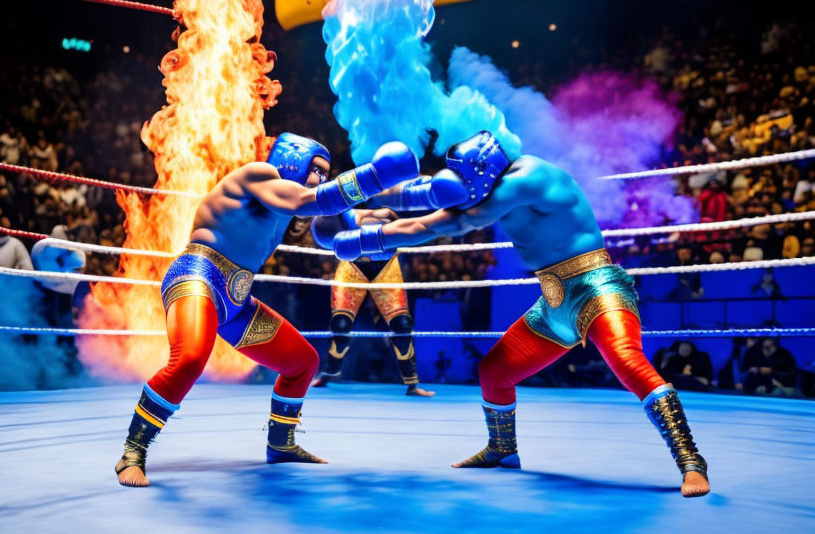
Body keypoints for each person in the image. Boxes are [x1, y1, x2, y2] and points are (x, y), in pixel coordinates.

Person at [334, 130, 710, 497]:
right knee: (494, 371)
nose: (464, 196)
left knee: (628, 361)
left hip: (597, 287)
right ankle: (503, 449)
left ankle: (691, 460)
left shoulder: (528, 178)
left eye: (467, 188)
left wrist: (374, 238)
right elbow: (440, 211)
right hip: (554, 299)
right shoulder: (493, 186)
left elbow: (453, 221)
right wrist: (368, 198)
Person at [115, 133, 417, 487]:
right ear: (293, 161)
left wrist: (371, 234)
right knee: (190, 358)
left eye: (324, 173)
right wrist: (375, 176)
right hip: (198, 276)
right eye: (314, 170)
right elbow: (313, 200)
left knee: (302, 363)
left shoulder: (283, 212)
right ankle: (132, 453)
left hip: (236, 300)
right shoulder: (258, 175)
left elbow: (325, 215)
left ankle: (281, 443)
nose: (319, 178)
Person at [310, 209, 435, 396]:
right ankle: (328, 373)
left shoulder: (386, 211)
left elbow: (401, 229)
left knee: (401, 323)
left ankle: (412, 384)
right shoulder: (348, 212)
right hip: (353, 263)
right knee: (341, 323)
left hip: (385, 264)